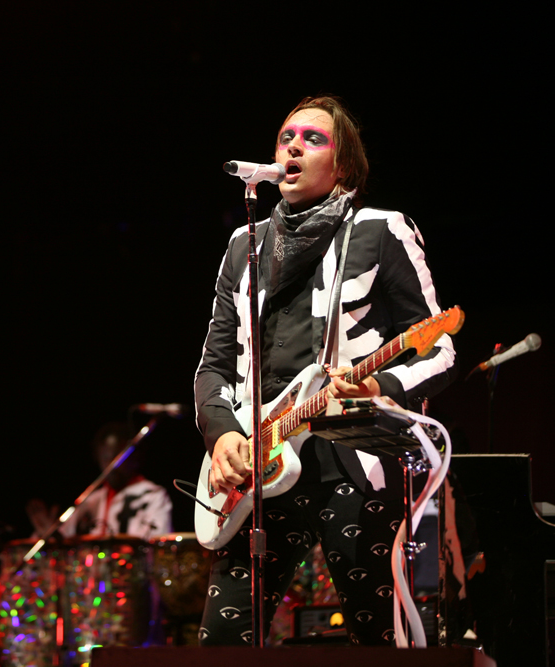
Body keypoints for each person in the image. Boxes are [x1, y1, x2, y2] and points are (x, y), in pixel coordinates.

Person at [194, 96, 457, 646]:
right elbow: (213, 366)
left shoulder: (381, 231)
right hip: (259, 471)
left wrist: (379, 385)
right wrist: (221, 436)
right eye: (286, 137)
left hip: (355, 467)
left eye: (313, 138)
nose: (293, 146)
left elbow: (439, 351)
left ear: (343, 166)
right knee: (222, 642)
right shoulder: (244, 245)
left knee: (378, 639)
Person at [27, 422, 173, 539]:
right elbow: (67, 545)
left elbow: (156, 546)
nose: (112, 465)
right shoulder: (91, 501)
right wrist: (52, 537)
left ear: (134, 457)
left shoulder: (153, 496)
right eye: (105, 458)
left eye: (117, 457)